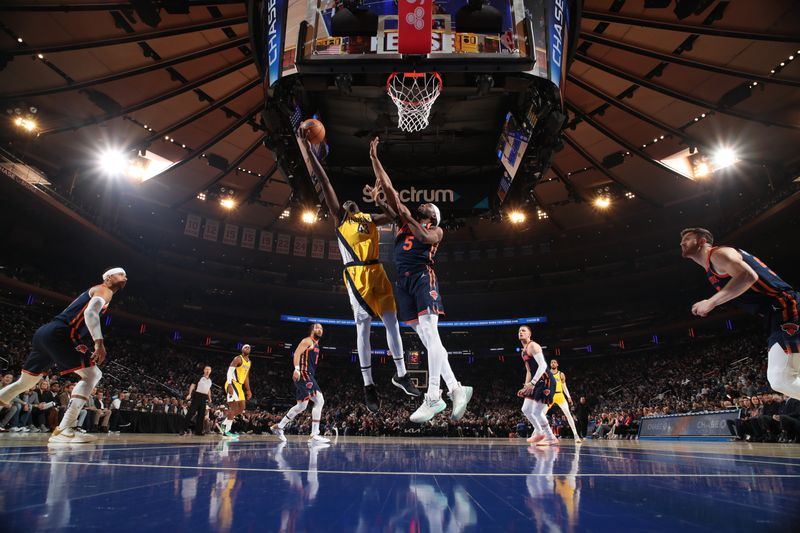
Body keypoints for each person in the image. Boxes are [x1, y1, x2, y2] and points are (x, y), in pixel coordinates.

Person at [301, 135, 420, 413]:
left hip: (378, 271)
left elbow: (392, 216)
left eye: (353, 203)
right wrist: (311, 153)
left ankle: (401, 374)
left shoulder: (368, 218)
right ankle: (368, 384)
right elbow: (326, 182)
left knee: (393, 322)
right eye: (344, 204)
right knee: (363, 328)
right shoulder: (340, 220)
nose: (348, 203)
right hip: (356, 276)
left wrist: (379, 199)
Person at [370, 137, 472, 424]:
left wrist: (401, 212)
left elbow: (424, 237)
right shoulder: (404, 221)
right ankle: (455, 387)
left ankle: (434, 396)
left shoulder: (435, 232)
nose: (424, 204)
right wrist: (375, 159)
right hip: (402, 284)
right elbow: (389, 189)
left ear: (433, 217)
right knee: (429, 340)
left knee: (431, 333)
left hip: (421, 279)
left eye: (428, 205)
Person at [0, 267, 127, 443]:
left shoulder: (98, 291)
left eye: (126, 275)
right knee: (93, 374)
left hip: (45, 333)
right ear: (108, 278)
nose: (125, 277)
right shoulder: (103, 290)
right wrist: (99, 343)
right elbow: (90, 313)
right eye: (121, 274)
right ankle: (64, 429)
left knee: (26, 382)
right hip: (62, 334)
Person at [680, 228, 800, 399]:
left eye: (687, 238)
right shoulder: (711, 265)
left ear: (702, 241)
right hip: (775, 313)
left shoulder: (718, 254)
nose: (681, 243)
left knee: (780, 378)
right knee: (789, 377)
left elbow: (747, 275)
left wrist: (711, 302)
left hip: (786, 307)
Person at [271, 323, 330, 443]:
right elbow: (297, 353)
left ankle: (279, 426)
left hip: (308, 375)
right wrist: (297, 368)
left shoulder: (317, 344)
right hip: (304, 373)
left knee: (302, 406)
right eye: (317, 328)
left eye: (321, 328)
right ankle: (314, 435)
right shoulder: (307, 341)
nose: (319, 329)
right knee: (319, 400)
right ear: (312, 330)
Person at [517, 325, 558, 446]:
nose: (520, 332)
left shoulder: (533, 346)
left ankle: (551, 438)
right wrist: (526, 387)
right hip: (535, 382)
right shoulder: (523, 351)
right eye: (519, 331)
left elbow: (543, 366)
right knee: (525, 409)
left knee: (537, 412)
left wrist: (533, 383)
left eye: (523, 330)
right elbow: (529, 371)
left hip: (546, 381)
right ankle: (539, 432)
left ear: (529, 334)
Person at [547, 359, 582, 443]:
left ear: (557, 364)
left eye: (555, 362)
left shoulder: (561, 374)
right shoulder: (547, 373)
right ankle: (537, 433)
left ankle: (576, 435)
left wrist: (569, 396)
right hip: (551, 395)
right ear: (550, 364)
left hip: (560, 395)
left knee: (568, 414)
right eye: (551, 362)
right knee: (541, 414)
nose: (553, 363)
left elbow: (564, 386)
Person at [222, 346, 252, 439]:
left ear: (250, 350)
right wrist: (230, 385)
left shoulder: (249, 362)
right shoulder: (238, 358)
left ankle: (224, 423)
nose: (247, 348)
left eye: (248, 347)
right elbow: (229, 372)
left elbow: (246, 377)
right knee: (233, 406)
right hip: (232, 383)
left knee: (242, 408)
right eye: (245, 347)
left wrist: (248, 390)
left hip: (239, 386)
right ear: (242, 349)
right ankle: (227, 431)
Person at [185, 365, 213, 435]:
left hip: (204, 398)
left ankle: (198, 431)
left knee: (201, 415)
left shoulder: (210, 380)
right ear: (204, 370)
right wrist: (189, 394)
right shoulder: (199, 377)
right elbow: (193, 385)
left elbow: (208, 389)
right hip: (197, 396)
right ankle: (183, 429)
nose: (207, 371)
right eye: (206, 369)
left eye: (209, 370)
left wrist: (210, 398)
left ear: (210, 371)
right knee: (190, 413)